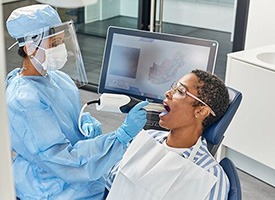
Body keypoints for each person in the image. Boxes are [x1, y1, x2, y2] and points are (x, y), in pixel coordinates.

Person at [5, 4, 148, 200]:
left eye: (62, 42)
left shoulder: (57, 78)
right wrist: (121, 136)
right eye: (54, 43)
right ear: (30, 48)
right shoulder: (24, 101)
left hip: (82, 172)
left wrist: (83, 123)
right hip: (52, 187)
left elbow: (66, 117)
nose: (62, 49)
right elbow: (62, 160)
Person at [105, 69, 230, 200]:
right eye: (173, 87)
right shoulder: (147, 137)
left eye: (180, 91)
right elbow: (110, 183)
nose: (168, 93)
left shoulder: (211, 176)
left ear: (201, 111)